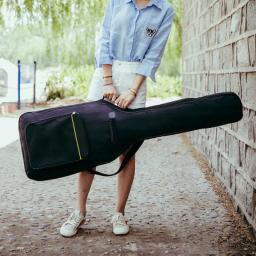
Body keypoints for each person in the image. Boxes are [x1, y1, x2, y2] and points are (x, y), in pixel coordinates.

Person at [60, 0, 175, 237]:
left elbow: (153, 55)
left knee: (128, 149)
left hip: (136, 80)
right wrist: (108, 81)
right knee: (88, 145)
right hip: (105, 75)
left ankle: (119, 213)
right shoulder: (116, 2)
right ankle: (79, 212)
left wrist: (132, 91)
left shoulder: (165, 10)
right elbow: (104, 40)